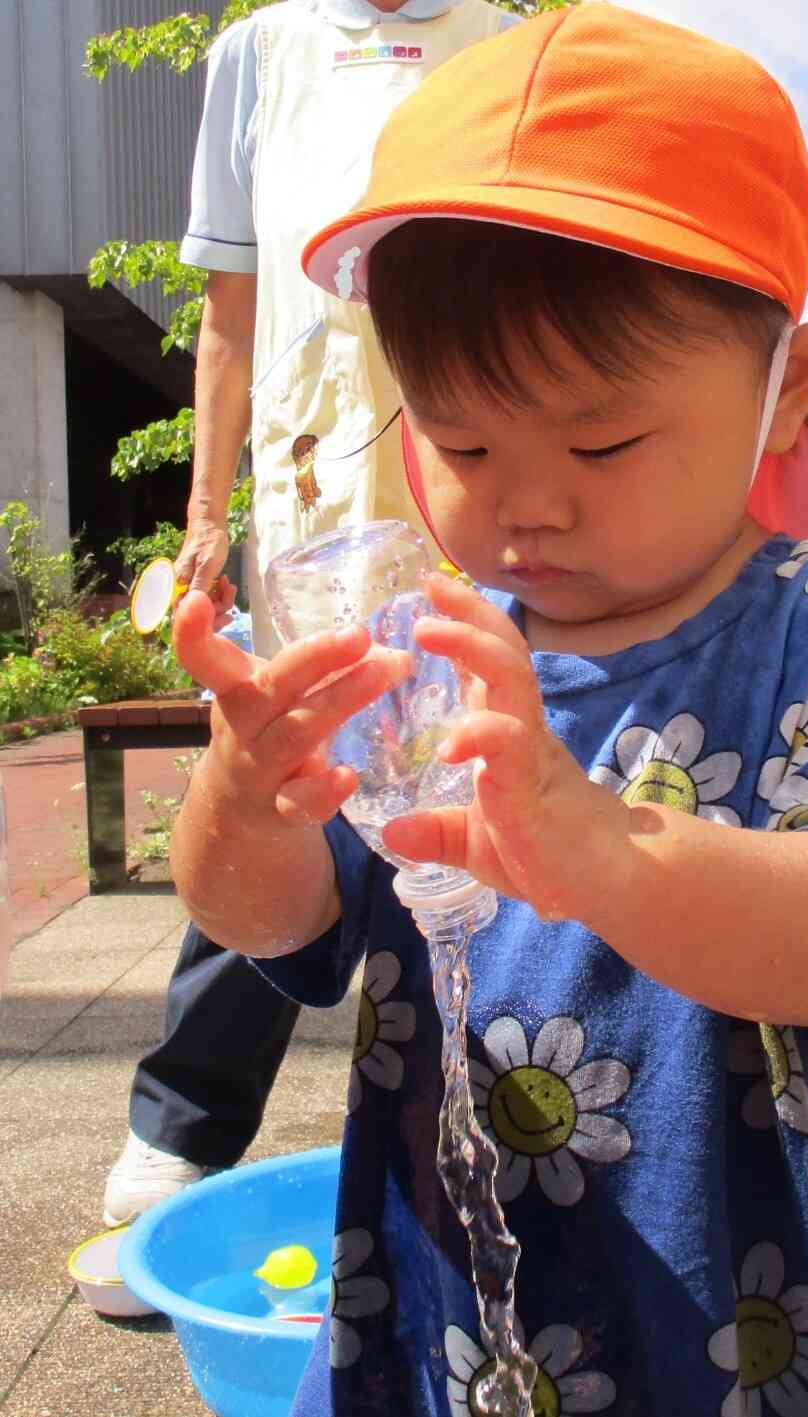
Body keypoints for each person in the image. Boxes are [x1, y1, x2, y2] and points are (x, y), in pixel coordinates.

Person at [171, 9, 808, 1412]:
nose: (528, 497)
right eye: (460, 439)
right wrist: (243, 800)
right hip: (437, 1320)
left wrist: (607, 853)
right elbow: (269, 920)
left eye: (602, 439)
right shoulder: (419, 651)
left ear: (786, 386)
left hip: (758, 1328)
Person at [103, 0, 515, 1228]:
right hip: (310, 486)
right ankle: (184, 1119)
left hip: (473, 479)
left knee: (484, 789)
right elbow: (228, 317)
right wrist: (205, 514)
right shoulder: (259, 54)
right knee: (280, 778)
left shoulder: (503, 39)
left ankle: (508, 1117)